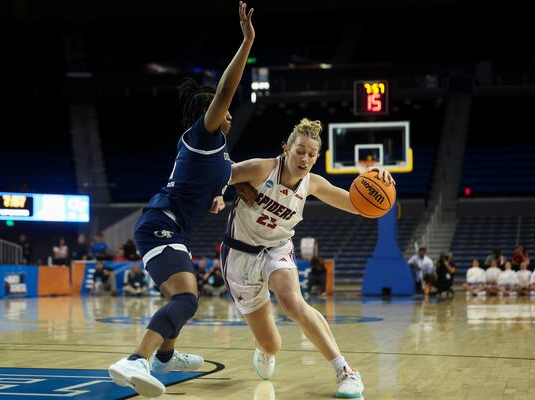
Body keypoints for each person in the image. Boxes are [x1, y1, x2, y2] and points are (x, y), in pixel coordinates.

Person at [108, 4, 256, 397]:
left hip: (171, 226)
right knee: (188, 297)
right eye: (223, 111)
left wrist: (219, 198)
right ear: (211, 112)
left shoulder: (219, 156)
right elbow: (226, 91)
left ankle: (166, 357)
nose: (228, 114)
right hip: (161, 223)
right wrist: (247, 42)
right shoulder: (203, 135)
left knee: (182, 296)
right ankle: (137, 359)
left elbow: (217, 183)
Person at [223, 118, 395, 398]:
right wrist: (220, 194)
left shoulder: (312, 184)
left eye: (311, 154)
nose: (305, 158)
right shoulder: (260, 168)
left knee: (292, 302)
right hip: (239, 253)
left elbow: (359, 206)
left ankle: (345, 372)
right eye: (300, 150)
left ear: (317, 158)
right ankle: (265, 349)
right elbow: (217, 174)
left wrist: (382, 183)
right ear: (286, 149)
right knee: (271, 344)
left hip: (276, 248)